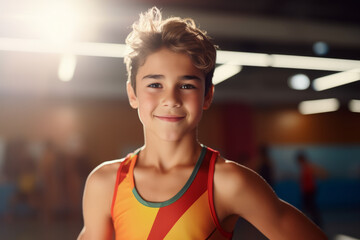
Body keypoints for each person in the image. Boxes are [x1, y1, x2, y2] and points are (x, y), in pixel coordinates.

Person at [78, 7, 327, 240]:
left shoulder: (228, 182)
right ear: (133, 94)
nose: (171, 100)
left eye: (186, 86)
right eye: (155, 85)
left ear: (207, 96)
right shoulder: (105, 184)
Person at [296, 150, 328, 227]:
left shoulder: (309, 167)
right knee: (309, 207)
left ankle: (315, 222)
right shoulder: (304, 167)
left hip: (310, 190)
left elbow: (323, 174)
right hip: (307, 190)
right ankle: (314, 222)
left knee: (310, 207)